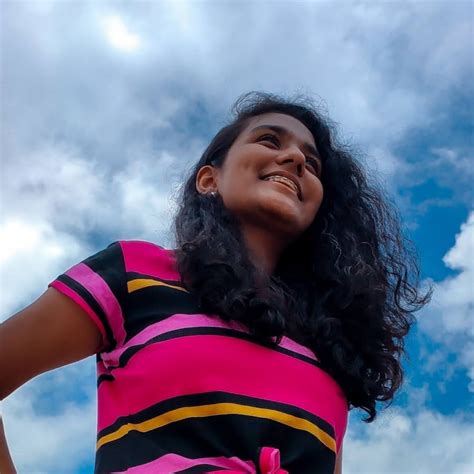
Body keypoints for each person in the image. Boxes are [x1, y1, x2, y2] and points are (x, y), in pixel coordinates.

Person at [0, 91, 432, 473]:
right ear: (210, 180)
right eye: (270, 140)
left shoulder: (325, 352)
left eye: (312, 162)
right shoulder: (134, 272)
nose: (296, 159)